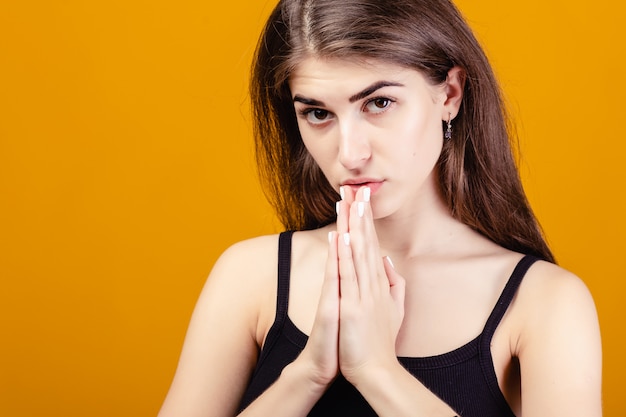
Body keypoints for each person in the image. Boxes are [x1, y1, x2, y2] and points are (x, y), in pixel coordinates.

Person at [158, 0, 603, 416]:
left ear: (449, 94)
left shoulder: (544, 303)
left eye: (379, 103)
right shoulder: (250, 276)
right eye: (317, 113)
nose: (350, 154)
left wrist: (376, 371)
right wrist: (308, 372)